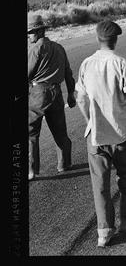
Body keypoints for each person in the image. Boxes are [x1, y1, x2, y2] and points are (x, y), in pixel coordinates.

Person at [76, 20, 126, 247]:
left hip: (96, 137)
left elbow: (80, 98)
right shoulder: (121, 63)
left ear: (98, 39)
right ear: (115, 40)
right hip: (121, 134)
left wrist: (90, 121)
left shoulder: (86, 64)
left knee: (100, 185)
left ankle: (104, 233)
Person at [28, 14, 76, 180]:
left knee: (31, 133)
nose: (29, 36)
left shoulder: (35, 49)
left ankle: (31, 170)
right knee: (60, 130)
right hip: (56, 94)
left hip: (38, 94)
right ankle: (64, 164)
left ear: (40, 31)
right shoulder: (59, 48)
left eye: (31, 32)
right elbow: (68, 73)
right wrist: (71, 93)